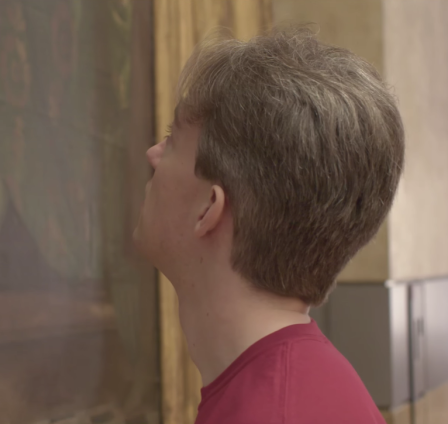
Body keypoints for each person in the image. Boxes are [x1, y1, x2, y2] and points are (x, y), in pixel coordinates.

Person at [134, 26, 403, 424]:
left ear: (209, 207)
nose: (153, 154)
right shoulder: (303, 385)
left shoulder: (271, 410)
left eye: (173, 139)